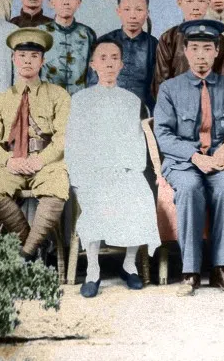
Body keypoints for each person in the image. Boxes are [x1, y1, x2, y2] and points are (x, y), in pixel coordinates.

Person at [153, 19, 224, 296]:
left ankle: (221, 269)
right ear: (185, 52)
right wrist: (194, 156)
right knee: (190, 188)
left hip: (219, 161)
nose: (200, 55)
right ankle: (190, 272)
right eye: (194, 48)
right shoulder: (170, 88)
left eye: (207, 49)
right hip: (182, 163)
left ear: (216, 52)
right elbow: (163, 134)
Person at [65, 39, 161, 298]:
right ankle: (93, 270)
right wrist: (83, 175)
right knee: (96, 199)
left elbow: (137, 142)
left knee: (140, 195)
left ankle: (129, 265)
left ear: (121, 65)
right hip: (91, 173)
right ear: (93, 64)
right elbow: (74, 142)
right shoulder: (81, 100)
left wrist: (129, 169)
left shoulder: (131, 101)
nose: (109, 63)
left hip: (123, 170)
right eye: (103, 58)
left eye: (114, 58)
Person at [0, 28, 70, 261]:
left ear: (42, 61)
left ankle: (25, 254)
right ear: (14, 59)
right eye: (22, 56)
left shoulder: (58, 95)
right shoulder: (0, 100)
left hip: (47, 162)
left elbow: (64, 136)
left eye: (34, 56)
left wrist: (41, 159)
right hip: (13, 161)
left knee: (56, 188)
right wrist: (8, 161)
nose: (27, 61)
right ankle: (33, 243)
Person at [87, 0, 159, 114]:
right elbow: (92, 81)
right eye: (127, 9)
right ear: (118, 11)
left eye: (139, 10)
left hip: (142, 111)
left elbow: (157, 86)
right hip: (106, 108)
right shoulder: (104, 42)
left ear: (147, 13)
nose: (133, 16)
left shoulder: (154, 45)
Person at [152, 0, 224, 97]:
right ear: (179, 2)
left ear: (208, 3)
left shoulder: (219, 39)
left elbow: (223, 77)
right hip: (177, 100)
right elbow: (161, 79)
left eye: (201, 1)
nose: (195, 7)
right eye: (189, 1)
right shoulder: (169, 37)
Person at [40, 0, 96, 95]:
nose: (66, 2)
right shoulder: (40, 32)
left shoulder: (87, 34)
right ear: (51, 2)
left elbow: (94, 72)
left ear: (78, 2)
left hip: (79, 98)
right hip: (48, 98)